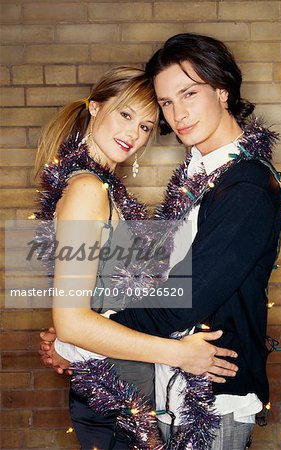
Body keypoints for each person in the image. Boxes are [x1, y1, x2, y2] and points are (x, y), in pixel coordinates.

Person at [35, 65, 238, 450]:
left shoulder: (103, 188)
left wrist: (64, 340)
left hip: (130, 392)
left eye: (145, 126)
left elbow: (91, 304)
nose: (133, 134)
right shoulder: (87, 190)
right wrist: (180, 355)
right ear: (95, 107)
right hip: (114, 403)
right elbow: (74, 320)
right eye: (126, 114)